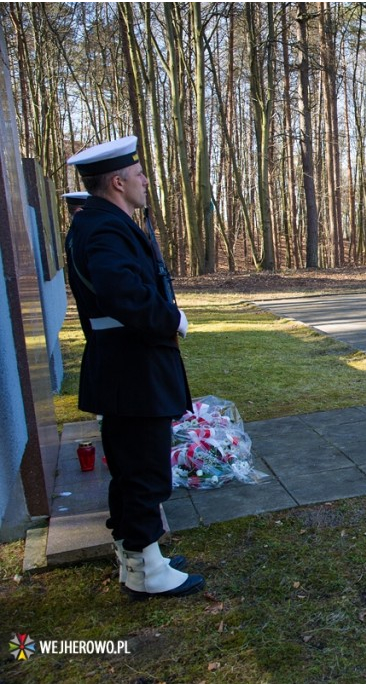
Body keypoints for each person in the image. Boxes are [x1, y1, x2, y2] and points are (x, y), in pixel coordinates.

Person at [65, 135, 204, 599]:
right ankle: (149, 573)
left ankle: (138, 561)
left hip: (122, 370)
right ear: (119, 181)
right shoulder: (104, 227)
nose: (146, 181)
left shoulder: (98, 221)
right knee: (144, 472)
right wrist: (173, 319)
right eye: (140, 174)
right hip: (135, 370)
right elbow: (121, 292)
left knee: (129, 471)